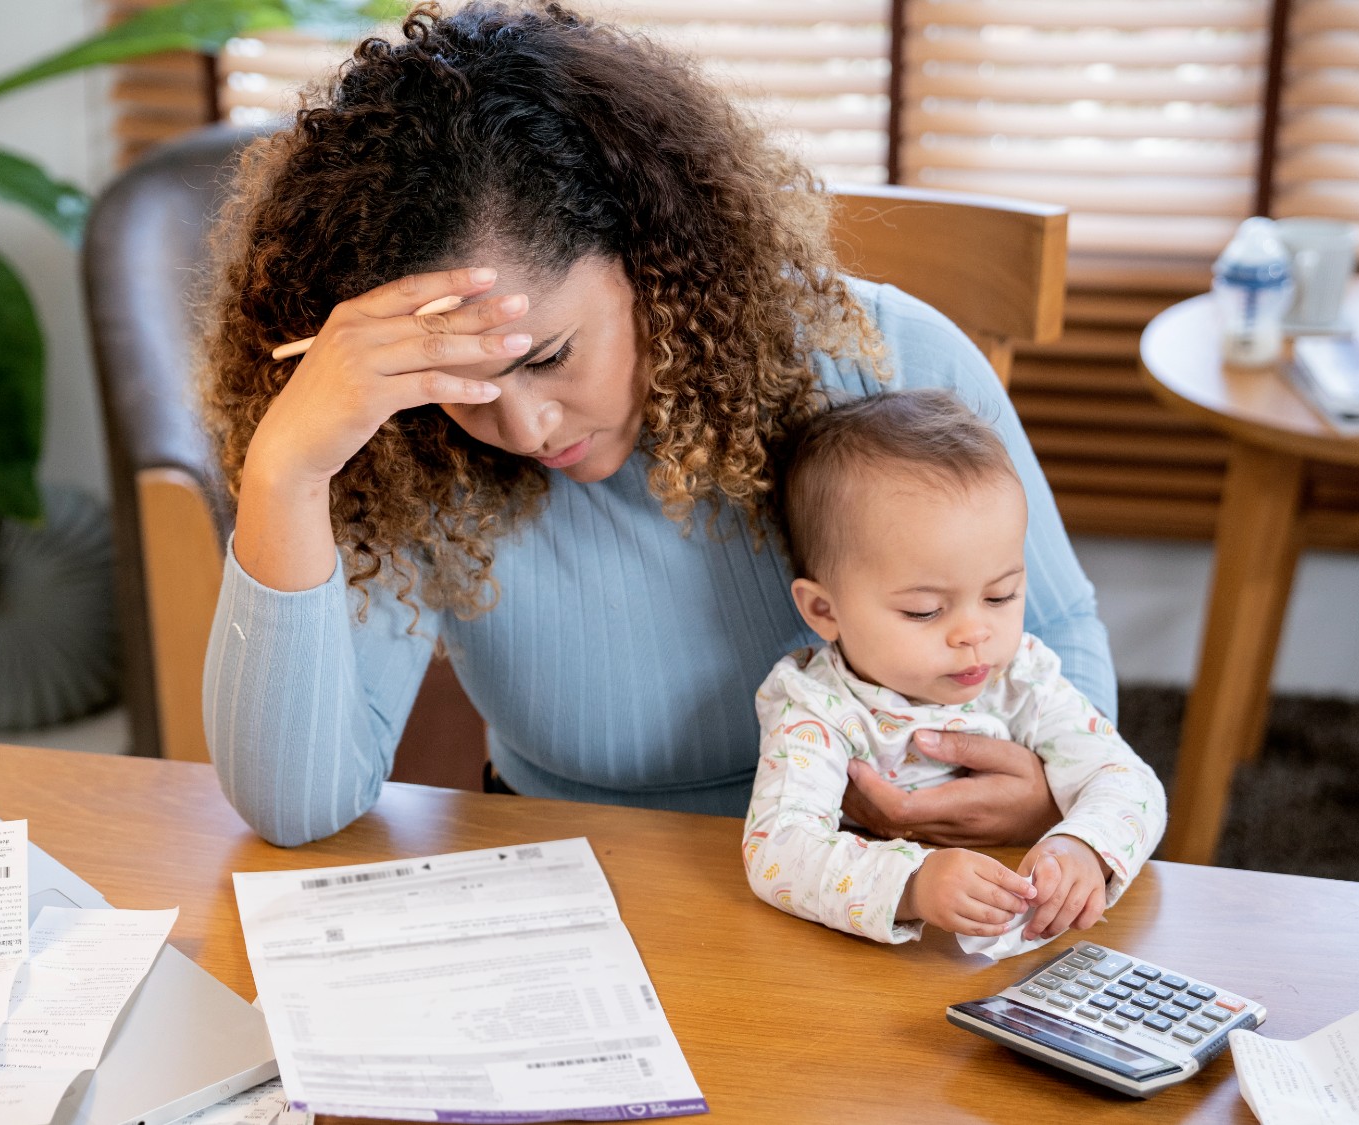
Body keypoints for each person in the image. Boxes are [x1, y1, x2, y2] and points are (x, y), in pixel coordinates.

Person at [197, 0, 1118, 848]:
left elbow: (1059, 644)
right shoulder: (405, 444)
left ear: (653, 258)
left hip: (879, 881)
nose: (520, 426)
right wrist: (288, 469)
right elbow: (296, 808)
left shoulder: (895, 361)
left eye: (549, 355)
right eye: (457, 383)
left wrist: (1053, 790)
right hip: (583, 882)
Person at [745, 391, 1166, 944]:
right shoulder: (816, 705)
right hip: (862, 952)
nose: (975, 634)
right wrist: (913, 884)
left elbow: (1129, 782)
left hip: (1022, 938)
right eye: (925, 610)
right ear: (825, 611)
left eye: (1000, 596)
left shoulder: (1021, 678)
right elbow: (777, 846)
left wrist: (1082, 844)